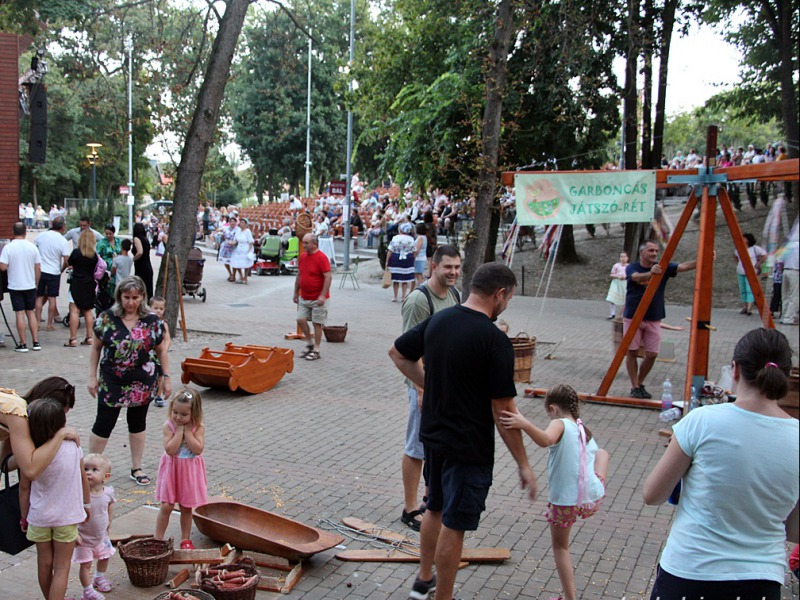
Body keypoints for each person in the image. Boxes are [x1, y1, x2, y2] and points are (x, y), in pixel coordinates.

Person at [389, 262, 537, 600]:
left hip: (435, 439)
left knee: (434, 507)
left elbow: (398, 353)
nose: (507, 304)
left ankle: (423, 579)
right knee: (454, 525)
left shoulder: (440, 320)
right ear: (499, 293)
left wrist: (433, 385)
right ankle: (444, 596)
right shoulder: (494, 340)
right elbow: (504, 411)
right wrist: (524, 464)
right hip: (469, 447)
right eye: (509, 298)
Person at [643, 328, 798, 599]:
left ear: (735, 370)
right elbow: (794, 529)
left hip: (690, 573)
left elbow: (653, 494)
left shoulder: (702, 421)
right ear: (785, 374)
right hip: (761, 580)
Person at [499, 384, 609, 600]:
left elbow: (545, 440)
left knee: (560, 548)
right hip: (590, 498)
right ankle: (597, 485)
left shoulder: (559, 423)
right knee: (602, 453)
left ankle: (570, 598)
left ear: (553, 409)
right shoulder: (581, 428)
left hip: (565, 501)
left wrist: (524, 424)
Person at [398, 245, 462, 532]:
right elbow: (408, 351)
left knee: (437, 444)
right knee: (416, 446)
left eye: (457, 267)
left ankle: (429, 497)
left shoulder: (455, 295)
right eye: (448, 266)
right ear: (433, 266)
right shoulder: (418, 300)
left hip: (446, 384)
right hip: (423, 385)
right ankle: (410, 507)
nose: (453, 272)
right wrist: (422, 389)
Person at [88, 276, 171, 487]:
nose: (131, 302)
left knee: (137, 423)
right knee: (104, 422)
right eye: (127, 297)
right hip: (112, 379)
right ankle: (90, 465)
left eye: (136, 297)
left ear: (142, 297)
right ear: (119, 297)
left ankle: (136, 466)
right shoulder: (106, 319)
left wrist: (167, 378)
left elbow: (161, 351)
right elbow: (96, 348)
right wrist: (92, 377)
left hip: (142, 380)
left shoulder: (152, 321)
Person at [19, 398, 90, 600]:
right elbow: (83, 478)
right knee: (62, 568)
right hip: (66, 517)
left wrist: (24, 517)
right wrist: (87, 504)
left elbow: (24, 488)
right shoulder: (73, 448)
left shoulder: (30, 454)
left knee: (44, 563)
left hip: (39, 517)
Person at [624, 241, 697, 399]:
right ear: (642, 252)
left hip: (654, 316)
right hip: (633, 315)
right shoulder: (632, 267)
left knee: (652, 353)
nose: (654, 254)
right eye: (651, 250)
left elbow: (683, 266)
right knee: (632, 351)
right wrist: (651, 273)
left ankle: (639, 383)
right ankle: (634, 386)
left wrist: (702, 261)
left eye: (656, 251)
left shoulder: (662, 266)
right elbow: (636, 277)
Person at [154, 387, 207, 550]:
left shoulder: (198, 427)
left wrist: (187, 433)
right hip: (172, 469)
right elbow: (170, 450)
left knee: (186, 507)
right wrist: (178, 432)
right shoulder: (169, 426)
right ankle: (158, 539)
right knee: (166, 505)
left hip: (189, 471)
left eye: (184, 415)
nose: (178, 417)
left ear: (194, 413)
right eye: (175, 412)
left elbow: (198, 449)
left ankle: (185, 539)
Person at [72, 453, 115, 600]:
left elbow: (110, 505)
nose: (88, 472)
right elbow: (71, 513)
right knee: (85, 565)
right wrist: (74, 533)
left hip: (101, 536)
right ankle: (87, 590)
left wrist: (109, 521)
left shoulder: (108, 492)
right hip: (83, 539)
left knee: (105, 557)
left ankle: (99, 577)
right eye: (85, 469)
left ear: (106, 477)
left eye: (94, 469)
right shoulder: (79, 494)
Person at [0, 221, 41, 352]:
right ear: (25, 232)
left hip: (15, 285)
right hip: (30, 284)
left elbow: (3, 267)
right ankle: (35, 342)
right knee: (31, 312)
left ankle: (23, 343)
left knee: (19, 313)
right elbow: (38, 267)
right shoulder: (32, 247)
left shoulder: (8, 247)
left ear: (13, 232)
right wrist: (36, 282)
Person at [293, 234, 332, 362]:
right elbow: (299, 275)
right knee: (300, 319)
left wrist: (322, 295)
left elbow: (328, 277)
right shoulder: (303, 256)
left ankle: (316, 349)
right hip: (304, 296)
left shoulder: (321, 258)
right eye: (303, 242)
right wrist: (295, 292)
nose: (303, 245)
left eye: (306, 243)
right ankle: (309, 343)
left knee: (317, 324)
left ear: (314, 244)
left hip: (318, 298)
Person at [65, 229, 103, 348]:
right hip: (89, 284)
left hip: (76, 283)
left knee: (74, 311)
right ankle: (89, 337)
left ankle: (73, 339)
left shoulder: (76, 253)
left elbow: (69, 263)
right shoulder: (94, 256)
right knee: (88, 311)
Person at [34, 216, 70, 331]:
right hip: (54, 272)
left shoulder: (41, 236)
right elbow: (66, 261)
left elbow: (35, 251)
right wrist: (61, 270)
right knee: (52, 298)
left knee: (39, 297)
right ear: (63, 227)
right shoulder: (62, 241)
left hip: (41, 270)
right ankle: (49, 324)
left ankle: (37, 323)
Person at [734, 232, 767, 315]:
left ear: (748, 240)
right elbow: (734, 256)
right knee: (743, 289)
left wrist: (758, 264)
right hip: (741, 271)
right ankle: (745, 306)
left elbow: (764, 255)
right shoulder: (739, 248)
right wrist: (738, 263)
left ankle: (749, 308)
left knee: (750, 289)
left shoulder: (755, 248)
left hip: (751, 271)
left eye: (744, 238)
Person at [148, 296, 172, 407]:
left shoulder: (163, 324)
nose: (158, 311)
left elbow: (167, 339)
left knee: (161, 375)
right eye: (155, 308)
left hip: (158, 354)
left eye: (161, 309)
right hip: (149, 353)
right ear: (149, 308)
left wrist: (164, 351)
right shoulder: (146, 322)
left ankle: (158, 396)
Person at [387, 222, 417, 303]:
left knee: (396, 279)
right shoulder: (411, 239)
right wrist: (413, 260)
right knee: (405, 279)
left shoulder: (395, 238)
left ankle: (395, 296)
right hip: (408, 259)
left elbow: (390, 250)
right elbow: (414, 250)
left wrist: (387, 261)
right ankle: (403, 296)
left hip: (396, 258)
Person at [95, 224, 120, 297]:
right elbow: (97, 256)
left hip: (117, 269)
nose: (108, 235)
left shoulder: (118, 241)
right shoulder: (101, 243)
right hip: (106, 269)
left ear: (113, 233)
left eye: (110, 234)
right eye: (106, 234)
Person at [780, 225, 798, 326]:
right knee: (794, 295)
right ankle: (789, 318)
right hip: (795, 271)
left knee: (785, 295)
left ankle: (783, 316)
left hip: (785, 270)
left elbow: (780, 261)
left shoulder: (787, 246)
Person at [131, 222, 154, 301]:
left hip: (141, 266)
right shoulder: (145, 239)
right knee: (148, 288)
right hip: (148, 265)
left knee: (140, 287)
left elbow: (140, 252)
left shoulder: (136, 239)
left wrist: (133, 259)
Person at [230, 218, 255, 284]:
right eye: (240, 222)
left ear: (246, 224)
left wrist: (249, 250)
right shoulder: (238, 231)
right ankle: (241, 276)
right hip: (239, 248)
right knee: (237, 263)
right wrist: (232, 242)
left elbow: (251, 241)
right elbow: (236, 240)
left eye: (243, 223)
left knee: (246, 263)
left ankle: (245, 277)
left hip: (245, 248)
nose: (241, 224)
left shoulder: (247, 231)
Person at [605, 251, 628, 320]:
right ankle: (612, 313)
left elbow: (631, 275)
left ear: (627, 258)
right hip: (616, 282)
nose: (623, 258)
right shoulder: (616, 266)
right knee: (611, 298)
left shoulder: (629, 266)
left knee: (625, 299)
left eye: (624, 257)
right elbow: (611, 274)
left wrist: (625, 277)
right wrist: (618, 276)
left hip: (624, 283)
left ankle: (623, 314)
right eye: (621, 257)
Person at [219, 215, 240, 282]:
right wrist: (222, 236)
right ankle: (230, 273)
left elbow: (238, 238)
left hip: (234, 247)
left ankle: (234, 275)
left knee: (233, 261)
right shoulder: (226, 228)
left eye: (234, 221)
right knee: (225, 261)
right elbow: (223, 236)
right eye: (231, 221)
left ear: (236, 222)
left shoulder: (238, 229)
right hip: (226, 246)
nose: (232, 223)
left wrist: (235, 242)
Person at [413, 223, 428, 287]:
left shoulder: (420, 238)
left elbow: (417, 250)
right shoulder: (424, 237)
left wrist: (413, 257)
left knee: (418, 275)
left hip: (419, 258)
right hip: (422, 257)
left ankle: (421, 288)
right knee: (418, 275)